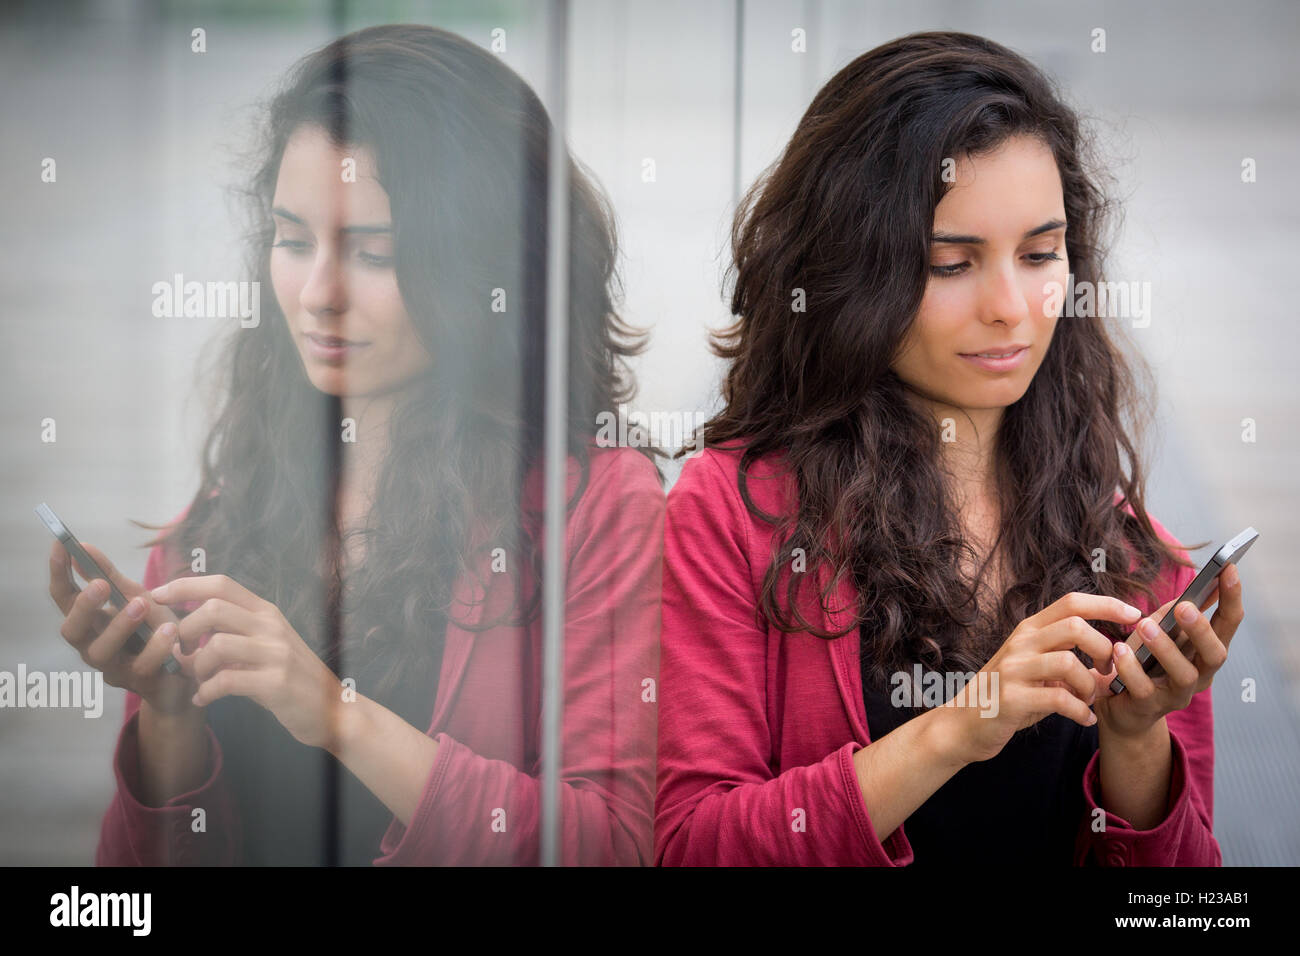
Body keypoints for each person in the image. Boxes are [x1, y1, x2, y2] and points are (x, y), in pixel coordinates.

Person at [47, 24, 664, 866]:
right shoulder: (229, 512)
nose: (318, 296)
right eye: (294, 242)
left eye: (375, 253)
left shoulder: (592, 506)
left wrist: (335, 714)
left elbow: (612, 844)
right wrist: (168, 714)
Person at [655, 31, 1242, 867]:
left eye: (1040, 255)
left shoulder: (1128, 551)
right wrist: (965, 724)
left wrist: (1139, 739)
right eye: (950, 263)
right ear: (851, 270)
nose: (1011, 306)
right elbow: (691, 846)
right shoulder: (731, 514)